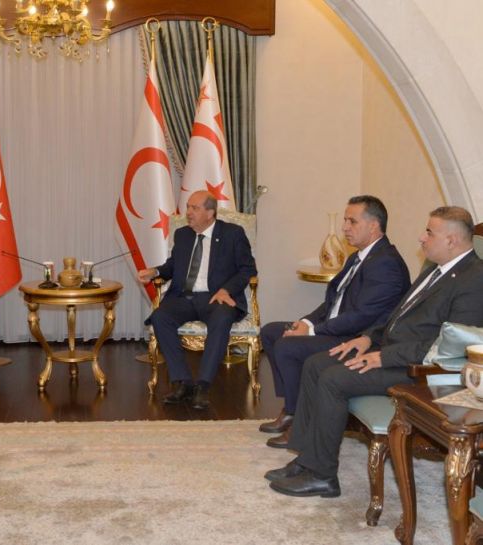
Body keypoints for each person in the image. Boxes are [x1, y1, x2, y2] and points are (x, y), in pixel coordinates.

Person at [266, 206, 483, 498]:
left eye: (429, 232)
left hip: (418, 370)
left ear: (451, 240)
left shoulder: (474, 279)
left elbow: (449, 347)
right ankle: (306, 459)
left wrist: (383, 356)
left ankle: (322, 476)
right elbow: (397, 316)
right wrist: (368, 339)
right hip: (390, 351)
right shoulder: (436, 269)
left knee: (333, 379)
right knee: (316, 364)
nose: (422, 238)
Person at [258, 196, 410, 448]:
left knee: (288, 346)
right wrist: (305, 322)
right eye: (345, 220)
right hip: (338, 328)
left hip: (359, 339)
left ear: (374, 226)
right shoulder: (358, 257)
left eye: (352, 221)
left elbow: (362, 317)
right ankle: (293, 409)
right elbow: (333, 302)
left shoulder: (386, 263)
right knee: (272, 332)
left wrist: (312, 331)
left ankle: (300, 420)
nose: (345, 227)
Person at [138, 190, 256, 409]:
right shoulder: (183, 234)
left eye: (195, 208)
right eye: (188, 207)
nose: (189, 212)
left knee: (222, 318)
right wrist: (155, 272)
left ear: (210, 213)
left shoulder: (232, 233)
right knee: (160, 317)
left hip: (216, 297)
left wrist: (226, 290)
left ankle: (203, 385)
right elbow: (173, 266)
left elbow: (248, 269)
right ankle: (182, 382)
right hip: (184, 297)